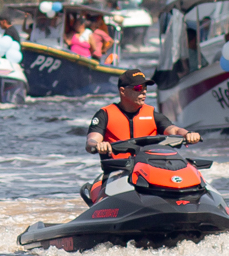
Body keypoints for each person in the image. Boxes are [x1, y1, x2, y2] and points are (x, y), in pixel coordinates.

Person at [83, 70, 201, 203]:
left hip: (148, 171)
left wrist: (187, 134)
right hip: (117, 174)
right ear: (123, 91)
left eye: (145, 88)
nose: (144, 91)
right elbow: (92, 140)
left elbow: (173, 129)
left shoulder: (151, 114)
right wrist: (98, 145)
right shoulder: (105, 115)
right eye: (138, 88)